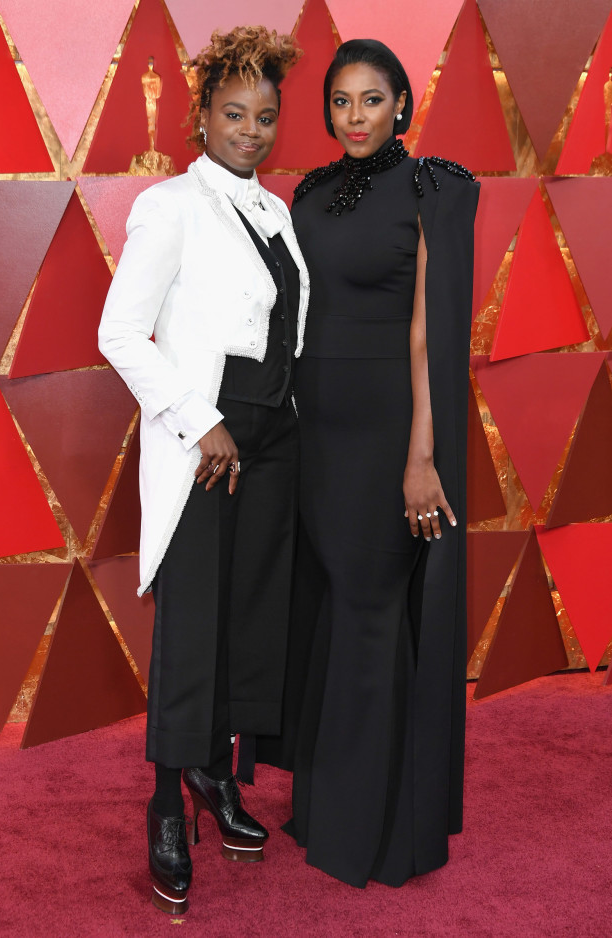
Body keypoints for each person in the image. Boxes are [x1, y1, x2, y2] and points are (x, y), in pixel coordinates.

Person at [98, 25, 305, 914]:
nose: (250, 131)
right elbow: (118, 332)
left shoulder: (276, 213)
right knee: (191, 628)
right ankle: (163, 807)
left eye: (264, 116)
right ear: (203, 116)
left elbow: (285, 331)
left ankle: (214, 776)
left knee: (249, 619)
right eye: (233, 114)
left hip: (275, 440)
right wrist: (198, 420)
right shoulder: (171, 205)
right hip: (207, 443)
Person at [277, 39, 480, 888]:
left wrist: (420, 456)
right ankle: (324, 805)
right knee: (331, 605)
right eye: (339, 101)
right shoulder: (309, 193)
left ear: (401, 102)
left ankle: (377, 832)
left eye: (370, 99)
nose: (354, 116)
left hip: (388, 432)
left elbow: (431, 334)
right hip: (312, 434)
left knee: (370, 607)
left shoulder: (434, 187)